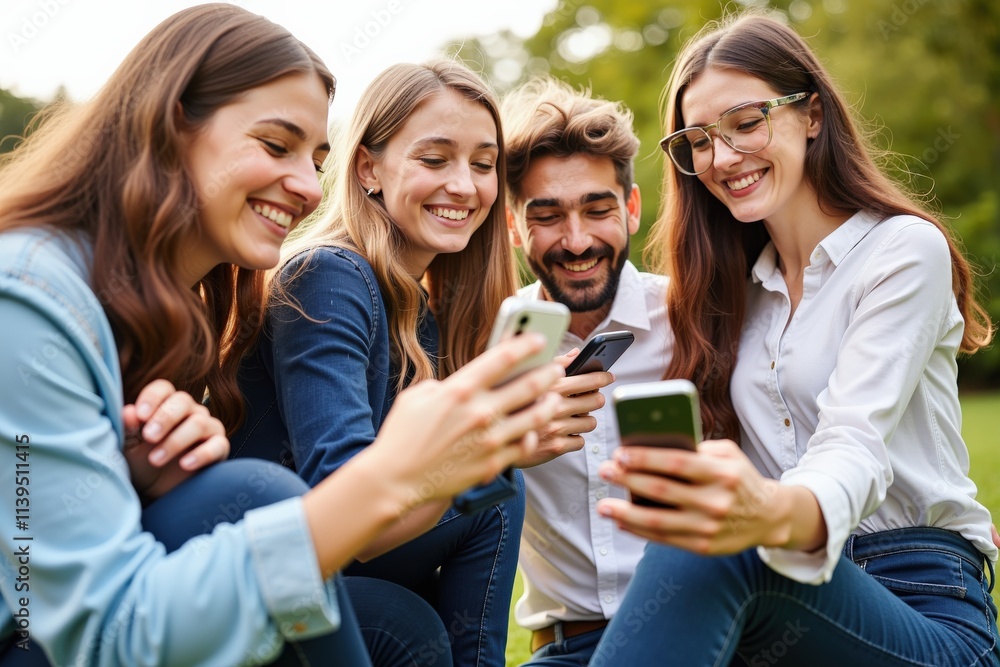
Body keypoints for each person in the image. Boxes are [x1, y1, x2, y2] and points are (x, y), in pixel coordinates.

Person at [0, 6, 562, 666]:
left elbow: (50, 523)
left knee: (461, 510)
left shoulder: (175, 301)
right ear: (170, 126)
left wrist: (136, 473)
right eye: (275, 145)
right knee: (277, 508)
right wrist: (405, 473)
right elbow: (97, 627)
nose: (303, 185)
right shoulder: (31, 294)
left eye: (314, 157)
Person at [590, 12, 999, 666]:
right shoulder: (728, 295)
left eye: (746, 123)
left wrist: (771, 511)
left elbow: (854, 442)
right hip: (778, 606)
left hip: (918, 603)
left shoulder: (900, 251)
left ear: (811, 114)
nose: (722, 158)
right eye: (698, 140)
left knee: (718, 542)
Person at [230, 59, 528, 666]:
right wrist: (490, 449)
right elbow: (342, 487)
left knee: (496, 489)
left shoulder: (420, 305)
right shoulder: (328, 277)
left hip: (334, 565)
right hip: (257, 575)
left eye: (483, 163)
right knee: (407, 618)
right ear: (369, 167)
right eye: (435, 158)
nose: (466, 187)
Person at [499, 77, 672, 665]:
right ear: (514, 225)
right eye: (547, 216)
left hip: (704, 632)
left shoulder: (694, 319)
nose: (577, 241)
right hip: (565, 648)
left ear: (631, 208)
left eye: (597, 210)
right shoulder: (488, 347)